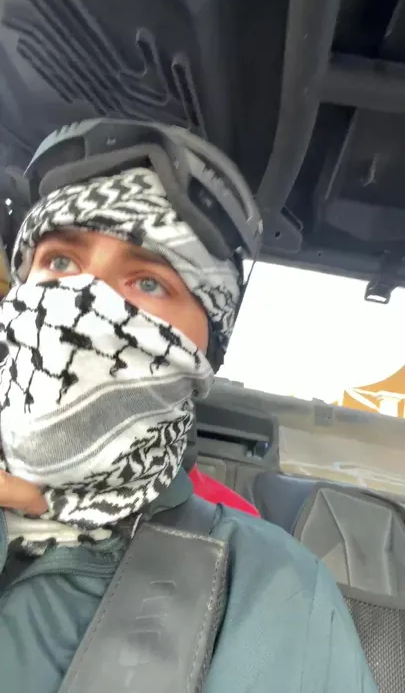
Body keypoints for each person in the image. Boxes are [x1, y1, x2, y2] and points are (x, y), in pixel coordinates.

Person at [0, 120, 376, 692]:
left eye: (149, 283)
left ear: (204, 352)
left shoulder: (271, 590)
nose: (80, 302)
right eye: (60, 263)